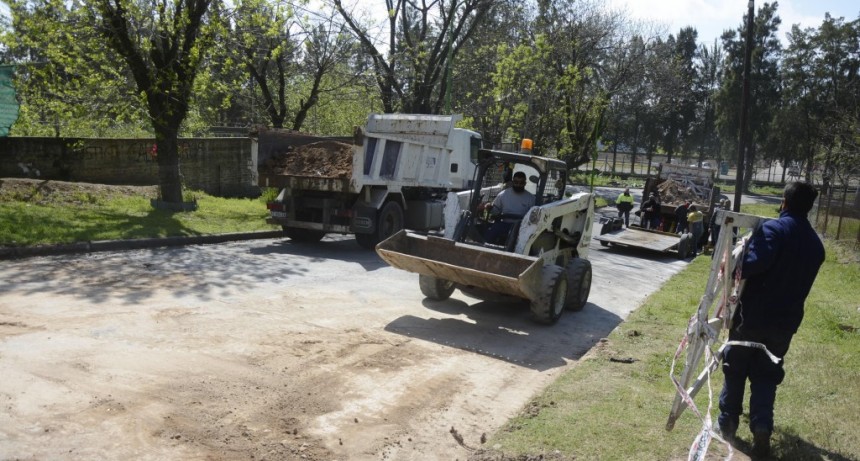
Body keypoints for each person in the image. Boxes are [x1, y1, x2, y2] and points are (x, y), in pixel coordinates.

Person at [717, 182, 825, 458]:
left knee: (735, 366)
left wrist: (732, 266)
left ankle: (728, 422)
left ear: (784, 202)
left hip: (751, 316)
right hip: (785, 323)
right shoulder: (816, 246)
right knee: (766, 374)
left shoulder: (773, 229)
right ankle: (762, 426)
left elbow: (753, 265)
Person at [478, 171, 535, 244]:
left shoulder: (531, 198)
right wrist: (489, 207)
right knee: (490, 232)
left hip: (522, 227)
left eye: (521, 183)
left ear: (525, 183)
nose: (518, 185)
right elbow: (495, 210)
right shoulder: (503, 195)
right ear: (512, 182)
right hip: (504, 223)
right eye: (516, 182)